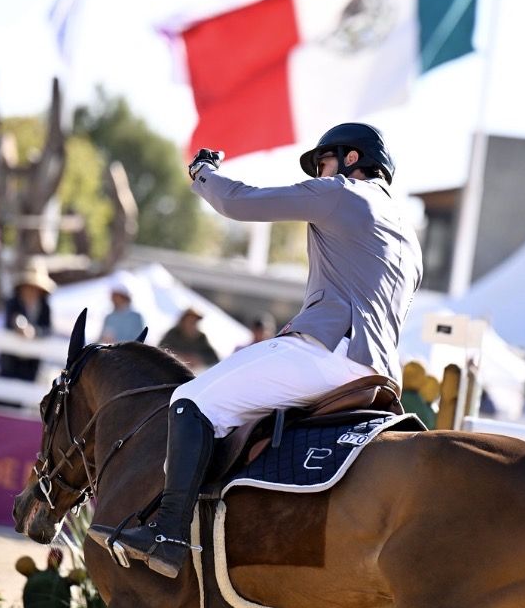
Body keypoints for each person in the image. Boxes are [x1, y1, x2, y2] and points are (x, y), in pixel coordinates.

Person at [89, 121, 423, 579]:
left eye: (324, 161)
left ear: (350, 159)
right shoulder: (408, 235)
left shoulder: (340, 192)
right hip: (381, 375)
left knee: (189, 401)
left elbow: (238, 201)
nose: (321, 172)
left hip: (329, 355)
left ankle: (168, 536)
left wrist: (203, 173)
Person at [0, 261, 55, 386]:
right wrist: (17, 327)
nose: (31, 291)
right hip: (10, 361)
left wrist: (34, 332)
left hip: (31, 364)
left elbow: (48, 330)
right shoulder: (12, 303)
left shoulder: (45, 308)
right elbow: (8, 322)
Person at [157, 306, 220, 372]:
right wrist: (179, 356)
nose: (191, 324)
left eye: (194, 322)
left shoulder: (201, 337)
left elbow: (214, 358)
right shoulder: (173, 333)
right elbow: (160, 349)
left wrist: (199, 359)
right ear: (183, 321)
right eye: (189, 321)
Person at [99, 280, 146, 344]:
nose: (114, 300)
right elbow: (101, 338)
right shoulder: (109, 317)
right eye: (113, 297)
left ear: (124, 297)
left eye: (116, 296)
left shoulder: (135, 317)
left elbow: (139, 339)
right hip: (112, 352)